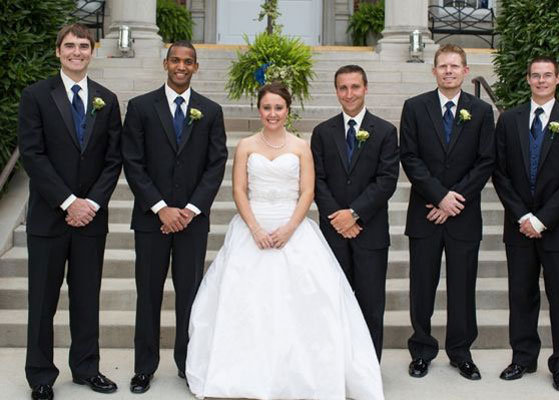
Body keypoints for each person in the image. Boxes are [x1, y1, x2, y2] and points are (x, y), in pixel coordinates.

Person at [185, 82, 384, 400]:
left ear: (287, 110)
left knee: (305, 305)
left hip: (293, 229)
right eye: (267, 107)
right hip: (254, 229)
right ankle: (244, 373)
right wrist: (255, 229)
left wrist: (291, 228)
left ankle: (300, 375)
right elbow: (239, 190)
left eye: (278, 107)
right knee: (247, 306)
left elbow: (307, 191)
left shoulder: (301, 146)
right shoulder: (246, 145)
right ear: (259, 110)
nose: (272, 113)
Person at [18, 23, 122, 400]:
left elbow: (113, 160)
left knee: (86, 298)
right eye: (70, 46)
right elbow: (33, 154)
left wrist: (90, 203)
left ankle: (86, 368)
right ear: (58, 51)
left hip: (90, 220)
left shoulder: (107, 100)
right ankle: (41, 375)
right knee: (42, 301)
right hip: (49, 217)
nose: (77, 52)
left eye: (83, 46)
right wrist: (68, 202)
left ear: (92, 51)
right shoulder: (36, 95)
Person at [121, 41, 227, 393]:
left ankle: (187, 363)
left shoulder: (210, 111)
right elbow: (133, 162)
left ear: (196, 67)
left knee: (189, 295)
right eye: (176, 60)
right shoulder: (140, 107)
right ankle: (144, 367)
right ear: (165, 63)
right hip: (152, 220)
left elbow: (215, 165)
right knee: (148, 294)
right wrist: (160, 207)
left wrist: (191, 209)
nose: (181, 66)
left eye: (188, 62)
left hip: (192, 222)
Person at [399, 44, 495, 380]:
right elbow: (409, 157)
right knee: (422, 286)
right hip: (425, 212)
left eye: (455, 66)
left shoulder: (481, 111)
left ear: (466, 71)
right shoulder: (414, 108)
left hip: (464, 215)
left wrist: (454, 200)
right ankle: (422, 350)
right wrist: (439, 197)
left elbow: (485, 161)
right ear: (434, 70)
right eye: (443, 66)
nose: (449, 71)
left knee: (462, 286)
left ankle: (460, 352)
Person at [492, 56, 559, 392]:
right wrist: (522, 215)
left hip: (557, 227)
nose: (542, 80)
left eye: (548, 75)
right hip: (519, 226)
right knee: (521, 294)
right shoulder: (509, 120)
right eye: (536, 75)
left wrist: (542, 219)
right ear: (528, 79)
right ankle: (523, 358)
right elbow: (500, 173)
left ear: (558, 79)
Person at [311, 65, 400, 361]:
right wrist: (338, 217)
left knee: (371, 305)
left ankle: (368, 366)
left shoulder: (385, 131)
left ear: (365, 88)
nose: (349, 94)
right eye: (343, 88)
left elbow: (386, 180)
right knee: (334, 303)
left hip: (370, 232)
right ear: (336, 91)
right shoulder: (323, 132)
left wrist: (355, 214)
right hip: (334, 231)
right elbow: (317, 180)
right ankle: (337, 365)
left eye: (355, 87)